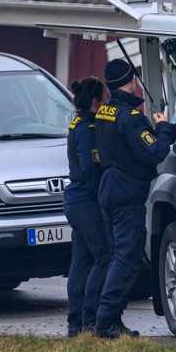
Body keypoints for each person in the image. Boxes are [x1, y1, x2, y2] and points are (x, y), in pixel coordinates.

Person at [92, 57, 176, 339]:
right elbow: (154, 152)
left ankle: (110, 320)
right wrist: (162, 128)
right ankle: (107, 321)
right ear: (132, 81)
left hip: (110, 189)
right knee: (127, 259)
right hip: (126, 194)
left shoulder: (106, 112)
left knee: (117, 258)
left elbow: (138, 142)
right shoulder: (129, 117)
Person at [63, 77, 110, 337]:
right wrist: (103, 196)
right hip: (85, 201)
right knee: (103, 256)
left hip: (77, 201)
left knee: (81, 262)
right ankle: (89, 319)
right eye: (106, 99)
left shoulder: (80, 123)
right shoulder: (86, 128)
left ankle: (76, 325)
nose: (108, 104)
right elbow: (91, 168)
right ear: (96, 102)